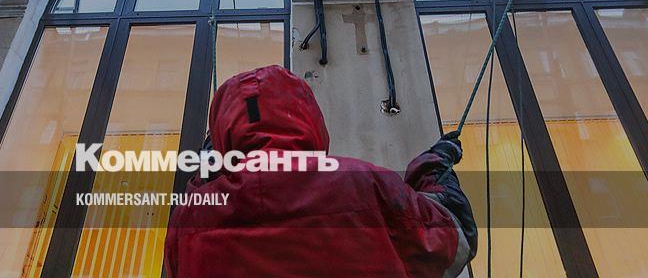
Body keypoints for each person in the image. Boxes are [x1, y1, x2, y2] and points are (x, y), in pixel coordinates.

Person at [164, 65, 477, 277]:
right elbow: (453, 239)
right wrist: (432, 168)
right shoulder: (366, 184)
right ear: (307, 117)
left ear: (224, 131)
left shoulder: (192, 215)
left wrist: (210, 171)